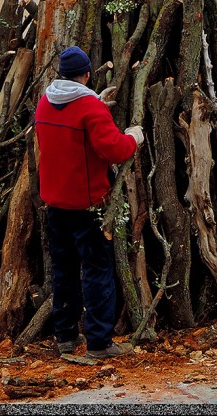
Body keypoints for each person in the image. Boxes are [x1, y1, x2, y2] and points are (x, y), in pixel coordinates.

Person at [35, 45, 144, 360]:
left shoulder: (45, 101)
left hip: (55, 202)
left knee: (64, 270)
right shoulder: (90, 108)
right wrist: (133, 136)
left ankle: (65, 336)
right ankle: (99, 342)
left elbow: (73, 127)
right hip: (88, 204)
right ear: (86, 73)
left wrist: (95, 101)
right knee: (97, 271)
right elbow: (115, 150)